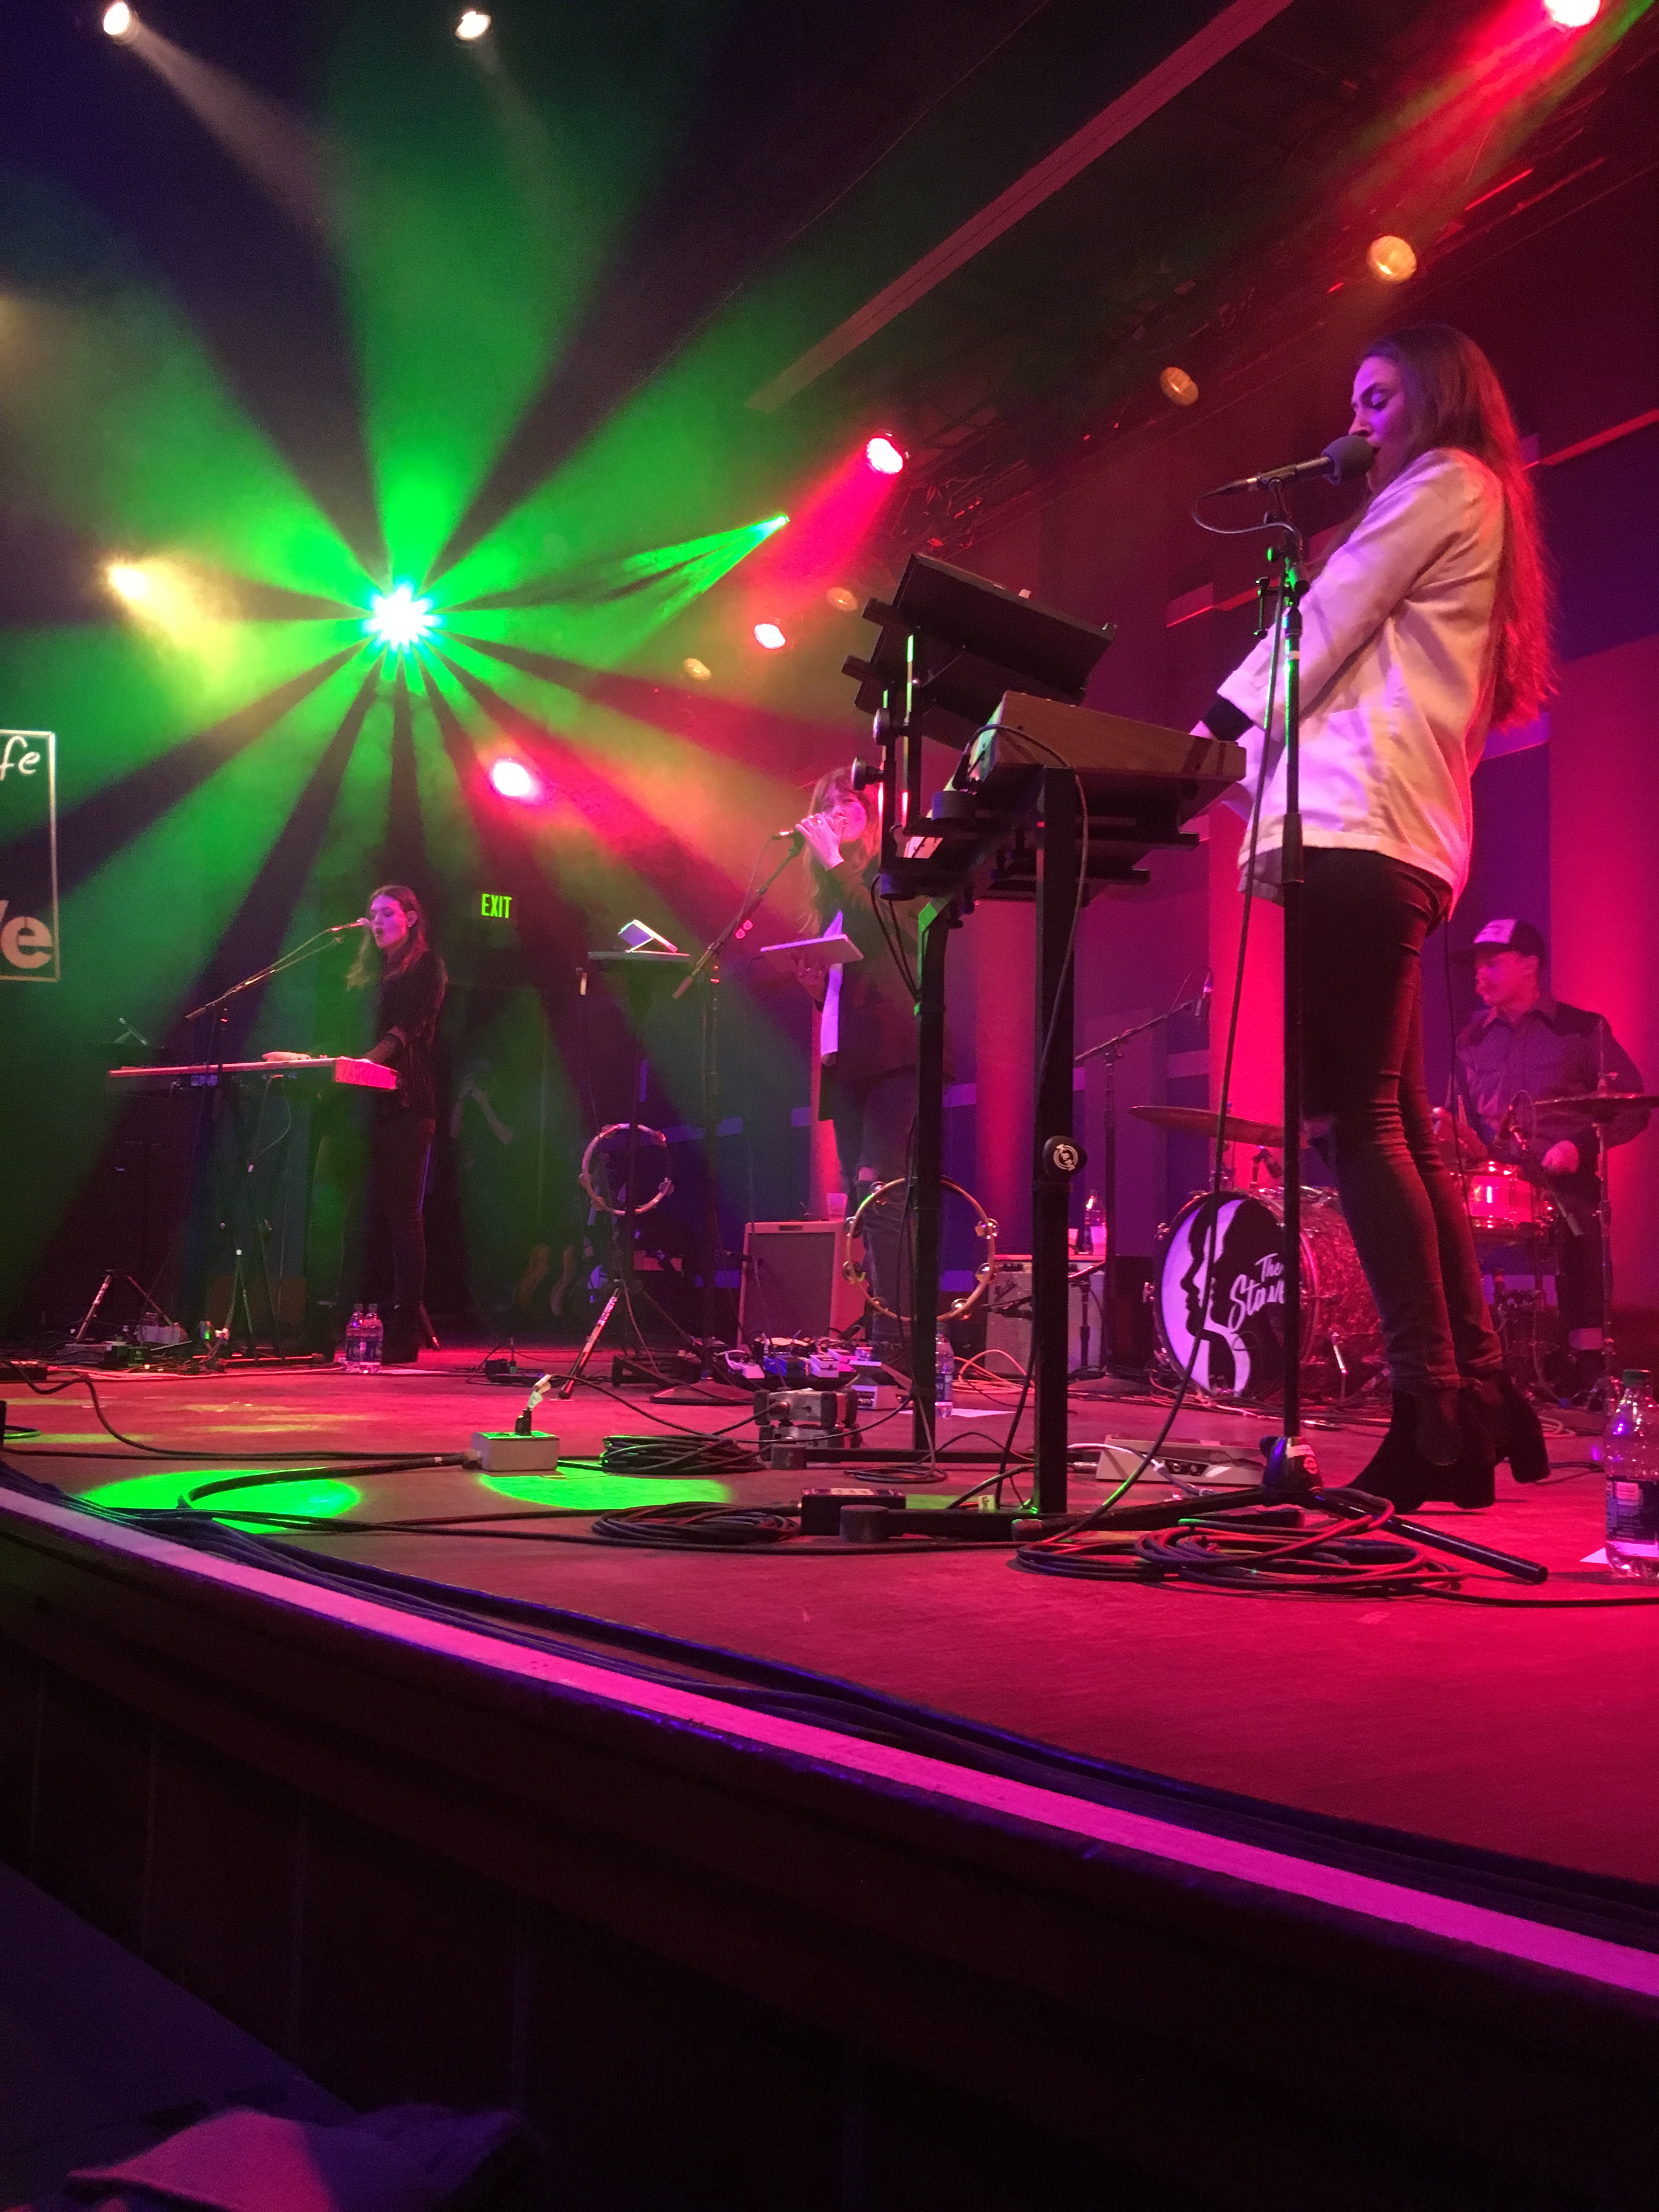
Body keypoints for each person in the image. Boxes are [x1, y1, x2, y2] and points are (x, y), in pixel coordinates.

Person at [1197, 324, 1552, 1505]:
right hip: (1392, 835)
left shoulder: (1445, 481)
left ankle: (1430, 1409)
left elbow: (1329, 615)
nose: (1356, 422)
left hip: (1359, 835)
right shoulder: (1470, 500)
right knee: (1393, 1123)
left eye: (1378, 397)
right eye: (1351, 402)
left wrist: (1213, 730)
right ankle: (1473, 1394)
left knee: (1356, 1125)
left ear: (1438, 397)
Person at [1448, 916, 1647, 1400]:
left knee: (1582, 1232)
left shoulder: (1583, 1031)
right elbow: (1466, 1120)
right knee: (1439, 1228)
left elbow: (1631, 1108)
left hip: (1564, 1182)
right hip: (1497, 1181)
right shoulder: (1471, 1039)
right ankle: (1466, 1360)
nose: (1479, 974)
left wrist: (1577, 1148)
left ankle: (1586, 1364)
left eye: (1492, 963)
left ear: (1529, 965)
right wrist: (1457, 1140)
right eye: (1476, 965)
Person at [794, 766, 924, 1365]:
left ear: (870, 812)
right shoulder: (833, 897)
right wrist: (815, 988)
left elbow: (886, 925)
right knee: (860, 1194)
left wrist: (833, 861)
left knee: (882, 1185)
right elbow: (851, 981)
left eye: (847, 802)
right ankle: (883, 1328)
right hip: (847, 1055)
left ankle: (900, 1340)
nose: (835, 813)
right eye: (826, 805)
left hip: (894, 1051)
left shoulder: (891, 871)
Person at [349, 884, 447, 1365]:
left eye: (387, 913)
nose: (377, 922)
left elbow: (405, 1028)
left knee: (403, 1216)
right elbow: (348, 1030)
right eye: (372, 914)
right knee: (359, 1213)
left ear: (410, 917)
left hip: (407, 1099)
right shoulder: (367, 972)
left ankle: (404, 1330)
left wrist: (367, 1062)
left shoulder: (427, 966)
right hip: (365, 1101)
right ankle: (349, 1320)